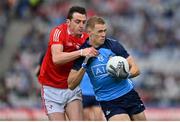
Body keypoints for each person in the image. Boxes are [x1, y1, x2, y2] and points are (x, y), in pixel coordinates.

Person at [67, 16, 146, 121]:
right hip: (109, 101)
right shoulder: (82, 53)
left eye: (104, 31)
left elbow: (136, 69)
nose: (103, 34)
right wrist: (85, 64)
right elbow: (71, 84)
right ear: (89, 32)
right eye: (99, 31)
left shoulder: (113, 46)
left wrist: (124, 75)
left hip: (128, 94)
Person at [38, 6, 98, 121]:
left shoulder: (86, 39)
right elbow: (57, 58)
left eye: (83, 22)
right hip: (51, 89)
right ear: (68, 22)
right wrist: (80, 52)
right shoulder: (58, 32)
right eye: (77, 21)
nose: (81, 25)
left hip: (71, 89)